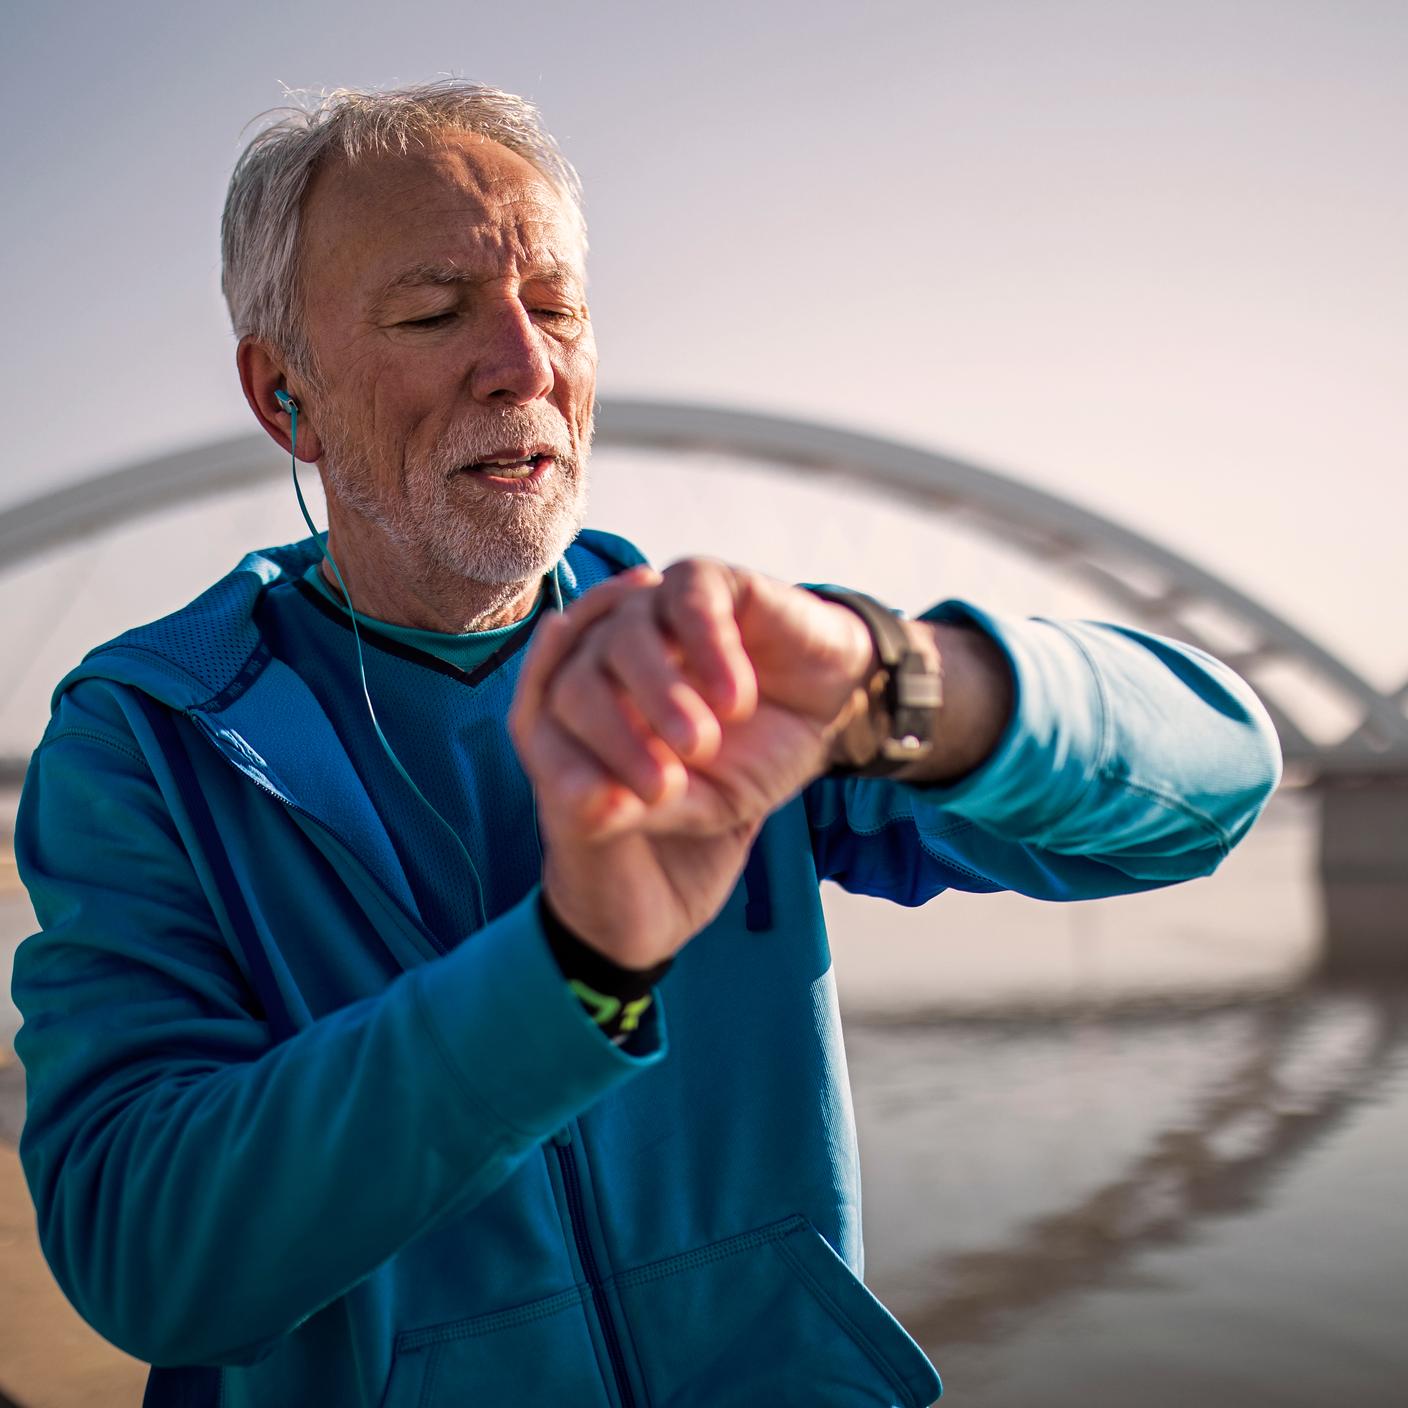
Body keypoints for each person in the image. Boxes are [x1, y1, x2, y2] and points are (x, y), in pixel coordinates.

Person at [10, 82, 1281, 1408]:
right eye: (436, 313)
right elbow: (144, 1259)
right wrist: (575, 970)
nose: (525, 364)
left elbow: (1218, 782)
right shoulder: (152, 737)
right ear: (288, 396)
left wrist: (889, 682)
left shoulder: (722, 671)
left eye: (556, 307)